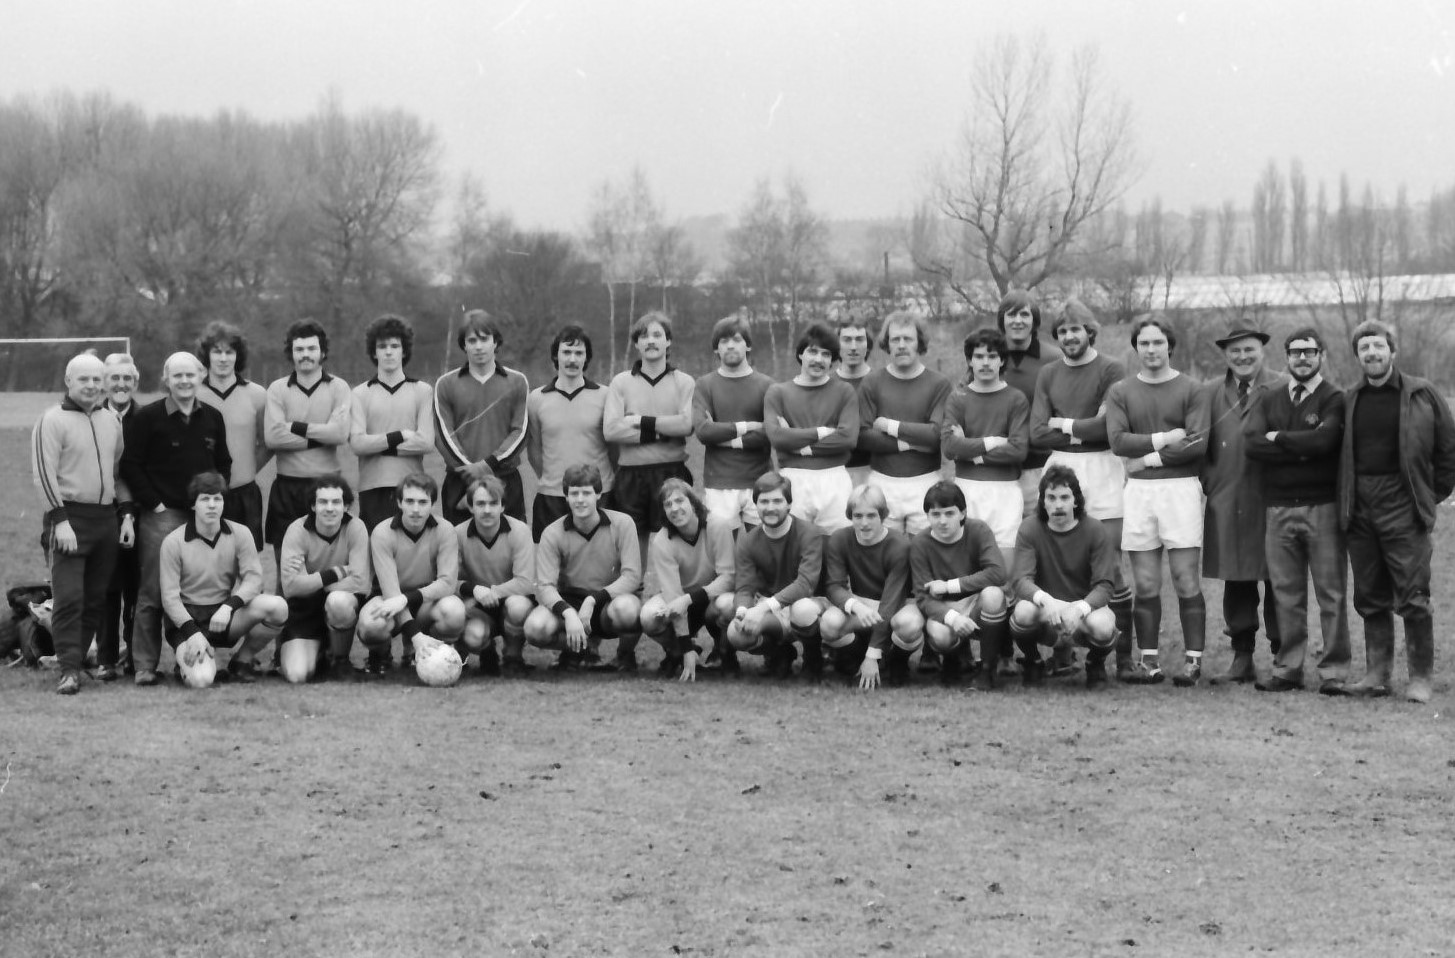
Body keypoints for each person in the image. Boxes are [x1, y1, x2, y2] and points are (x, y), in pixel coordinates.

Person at [1337, 320, 1455, 703]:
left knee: (1413, 594)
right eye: (1364, 348)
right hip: (1360, 509)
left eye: (1378, 345)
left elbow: (1448, 451)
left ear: (1393, 350)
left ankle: (1420, 678)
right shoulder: (1349, 399)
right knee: (1369, 595)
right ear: (1357, 356)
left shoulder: (1423, 394)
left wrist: (1427, 497)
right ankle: (1377, 674)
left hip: (1404, 507)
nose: (1371, 353)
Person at [1029, 300, 1134, 679]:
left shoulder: (1111, 368)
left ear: (1090, 331)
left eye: (1076, 329)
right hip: (1060, 466)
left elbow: (1108, 427)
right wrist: (1082, 426)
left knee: (1110, 563)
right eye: (1062, 331)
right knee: (1058, 559)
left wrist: (1064, 423)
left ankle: (1121, 657)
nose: (1069, 336)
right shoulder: (1048, 373)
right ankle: (1063, 651)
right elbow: (1037, 431)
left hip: (1102, 467)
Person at [1244, 328, 1350, 694]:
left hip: (1323, 507)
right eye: (1295, 352)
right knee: (1285, 594)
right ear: (1286, 357)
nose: (1302, 358)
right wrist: (1303, 448)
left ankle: (1334, 671)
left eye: (1309, 351)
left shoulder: (1335, 397)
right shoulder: (1269, 398)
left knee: (1331, 594)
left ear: (1322, 355)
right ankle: (1288, 669)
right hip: (1278, 509)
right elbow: (1252, 445)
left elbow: (1325, 442)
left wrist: (1280, 438)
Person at [1106, 317, 1210, 686]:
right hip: (1139, 493)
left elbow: (1196, 443)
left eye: (1158, 342)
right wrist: (1166, 438)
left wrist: (1147, 458)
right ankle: (1148, 659)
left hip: (1180, 489)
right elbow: (1118, 441)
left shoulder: (1193, 389)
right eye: (1145, 343)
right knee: (1146, 582)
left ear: (1170, 346)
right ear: (1136, 347)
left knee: (1185, 578)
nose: (1151, 349)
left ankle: (1193, 661)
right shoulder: (1121, 391)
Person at [122, 352, 231, 687]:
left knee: (197, 586)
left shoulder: (213, 417)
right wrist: (154, 504)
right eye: (177, 375)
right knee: (153, 590)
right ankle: (144, 664)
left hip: (202, 515)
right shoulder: (148, 417)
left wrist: (213, 501)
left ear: (201, 377)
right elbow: (130, 465)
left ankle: (192, 651)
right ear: (166, 380)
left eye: (190, 375)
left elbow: (223, 463)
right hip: (163, 515)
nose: (184, 381)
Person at [32, 353, 130, 695]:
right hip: (69, 518)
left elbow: (115, 469)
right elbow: (43, 474)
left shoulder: (111, 421)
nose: (91, 385)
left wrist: (123, 514)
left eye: (96, 379)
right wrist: (60, 520)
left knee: (94, 599)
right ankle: (69, 671)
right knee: (70, 597)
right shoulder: (52, 420)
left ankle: (74, 660)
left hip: (104, 519)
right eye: (83, 379)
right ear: (68, 381)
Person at [1201, 326, 1283, 684]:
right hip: (1228, 498)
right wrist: (1211, 481)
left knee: (1279, 578)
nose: (1242, 357)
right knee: (1236, 579)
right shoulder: (1209, 392)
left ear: (1262, 350)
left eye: (1249, 349)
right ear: (1225, 355)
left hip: (1273, 499)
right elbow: (1197, 442)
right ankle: (1242, 654)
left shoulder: (1282, 386)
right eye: (1235, 351)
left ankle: (1284, 654)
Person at [159, 471, 288, 685]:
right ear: (193, 505)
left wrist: (229, 607)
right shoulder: (173, 542)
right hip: (187, 620)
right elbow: (169, 598)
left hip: (223, 614)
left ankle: (242, 661)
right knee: (201, 680)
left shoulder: (240, 533)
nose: (212, 505)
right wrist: (192, 633)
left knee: (277, 607)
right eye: (205, 499)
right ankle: (187, 663)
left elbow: (254, 579)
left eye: (217, 499)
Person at [1007, 466, 1120, 690]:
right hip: (1046, 609)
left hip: (1083, 609)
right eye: (1051, 498)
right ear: (1042, 501)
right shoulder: (1029, 528)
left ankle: (1095, 664)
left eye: (1064, 497)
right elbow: (1020, 579)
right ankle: (1033, 661)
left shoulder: (1095, 529)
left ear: (1076, 501)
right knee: (1022, 612)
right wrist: (1046, 600)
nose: (1058, 505)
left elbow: (1105, 585)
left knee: (1104, 626)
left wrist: (1080, 609)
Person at [524, 463, 643, 671]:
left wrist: (593, 600)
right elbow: (545, 586)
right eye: (574, 493)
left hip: (608, 602)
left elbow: (632, 576)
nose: (580, 499)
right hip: (570, 601)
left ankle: (625, 656)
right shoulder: (552, 533)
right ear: (566, 497)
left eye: (586, 493)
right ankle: (577, 648)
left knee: (628, 610)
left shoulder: (623, 523)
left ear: (598, 494)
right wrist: (569, 614)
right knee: (535, 628)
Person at [720, 472, 827, 679]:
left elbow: (805, 583)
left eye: (777, 501)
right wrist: (743, 613)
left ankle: (813, 658)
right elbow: (744, 587)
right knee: (736, 633)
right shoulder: (748, 541)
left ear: (789, 504)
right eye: (764, 501)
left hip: (807, 603)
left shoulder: (809, 533)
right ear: (756, 505)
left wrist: (762, 608)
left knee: (802, 610)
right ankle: (779, 653)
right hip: (771, 610)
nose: (770, 507)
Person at [264, 320, 351, 572]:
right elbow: (273, 438)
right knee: (287, 570)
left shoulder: (339, 387)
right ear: (291, 353)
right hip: (287, 488)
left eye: (312, 348)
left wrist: (294, 427)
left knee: (330, 568)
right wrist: (323, 433)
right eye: (299, 349)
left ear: (322, 352)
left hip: (328, 487)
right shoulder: (277, 389)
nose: (305, 354)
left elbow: (340, 434)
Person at [359, 473, 467, 673]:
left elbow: (447, 583)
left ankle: (437, 654)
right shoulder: (382, 533)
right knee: (371, 624)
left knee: (454, 611)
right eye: (409, 501)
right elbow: (392, 595)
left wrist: (407, 599)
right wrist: (416, 635)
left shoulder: (445, 530)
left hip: (427, 601)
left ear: (432, 503)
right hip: (389, 599)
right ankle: (380, 654)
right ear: (399, 502)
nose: (416, 509)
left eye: (423, 502)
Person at [856, 311, 952, 535]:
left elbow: (935, 435)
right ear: (887, 344)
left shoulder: (939, 384)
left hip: (926, 482)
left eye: (908, 339)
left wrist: (890, 426)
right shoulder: (871, 382)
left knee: (925, 550)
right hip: (882, 482)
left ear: (919, 342)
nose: (901, 345)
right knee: (884, 551)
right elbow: (862, 435)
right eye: (895, 339)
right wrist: (908, 444)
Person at [603, 312, 695, 542]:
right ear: (636, 344)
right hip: (630, 475)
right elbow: (611, 430)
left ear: (668, 341)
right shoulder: (620, 382)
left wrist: (640, 421)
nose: (651, 341)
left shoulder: (684, 382)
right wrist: (661, 432)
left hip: (672, 472)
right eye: (644, 336)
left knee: (676, 538)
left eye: (657, 335)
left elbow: (686, 424)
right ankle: (637, 570)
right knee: (633, 541)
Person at [822, 484, 922, 690]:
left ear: (883, 515)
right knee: (829, 623)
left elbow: (890, 602)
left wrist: (873, 654)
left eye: (871, 515)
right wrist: (855, 605)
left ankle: (896, 660)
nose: (864, 523)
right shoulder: (840, 539)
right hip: (862, 605)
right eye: (858, 516)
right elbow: (833, 586)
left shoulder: (899, 545)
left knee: (909, 623)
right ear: (850, 516)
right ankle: (854, 655)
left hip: (897, 605)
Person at [433, 309, 530, 524]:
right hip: (460, 482)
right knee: (458, 544)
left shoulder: (517, 382)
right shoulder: (445, 384)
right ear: (463, 345)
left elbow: (521, 432)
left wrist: (488, 465)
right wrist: (471, 473)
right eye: (472, 340)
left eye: (484, 339)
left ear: (495, 342)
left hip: (505, 480)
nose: (478, 346)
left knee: (511, 542)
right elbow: (443, 436)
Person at [909, 480, 1008, 687]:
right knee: (940, 634)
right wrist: (953, 618)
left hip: (974, 602)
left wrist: (949, 586)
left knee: (993, 594)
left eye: (949, 513)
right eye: (935, 514)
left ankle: (987, 668)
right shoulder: (920, 543)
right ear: (927, 516)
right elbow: (923, 596)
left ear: (962, 513)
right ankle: (953, 660)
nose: (942, 521)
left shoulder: (978, 530)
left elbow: (998, 573)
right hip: (943, 608)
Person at [942, 327, 1030, 561]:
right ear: (969, 360)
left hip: (1005, 491)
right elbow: (949, 448)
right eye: (979, 356)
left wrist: (971, 451)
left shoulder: (1016, 399)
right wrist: (991, 442)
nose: (985, 362)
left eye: (992, 356)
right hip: (967, 489)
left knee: (1005, 567)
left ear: (1002, 360)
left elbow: (1018, 450)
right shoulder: (958, 398)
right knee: (966, 563)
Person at [764, 322, 860, 533]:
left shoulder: (844, 391)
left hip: (835, 479)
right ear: (800, 354)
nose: (819, 359)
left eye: (826, 354)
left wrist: (797, 444)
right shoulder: (778, 392)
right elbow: (777, 438)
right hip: (793, 479)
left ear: (832, 360)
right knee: (797, 544)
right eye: (813, 352)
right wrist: (822, 432)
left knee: (838, 544)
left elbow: (848, 438)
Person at [276, 474, 371, 682]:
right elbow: (291, 587)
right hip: (304, 609)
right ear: (313, 506)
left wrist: (311, 582)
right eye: (323, 502)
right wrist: (337, 573)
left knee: (338, 602)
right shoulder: (296, 530)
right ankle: (319, 652)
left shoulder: (356, 527)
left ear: (346, 506)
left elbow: (361, 583)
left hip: (337, 602)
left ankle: (340, 660)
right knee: (297, 675)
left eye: (336, 502)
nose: (329, 508)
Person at [639, 479, 734, 681]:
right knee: (649, 616)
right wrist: (686, 646)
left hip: (713, 598)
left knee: (727, 605)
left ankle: (725, 652)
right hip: (682, 600)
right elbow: (673, 596)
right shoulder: (662, 541)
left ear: (693, 502)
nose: (674, 508)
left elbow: (729, 578)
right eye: (668, 504)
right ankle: (677, 651)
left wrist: (689, 599)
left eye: (680, 501)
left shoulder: (718, 525)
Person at [527, 324, 615, 540]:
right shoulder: (536, 399)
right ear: (555, 356)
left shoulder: (606, 396)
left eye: (579, 353)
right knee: (553, 559)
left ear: (587, 358)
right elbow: (534, 450)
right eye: (566, 352)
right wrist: (553, 479)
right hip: (552, 497)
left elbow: (615, 449)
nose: (572, 359)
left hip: (598, 495)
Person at [349, 314, 435, 531]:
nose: (388, 351)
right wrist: (400, 436)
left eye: (395, 346)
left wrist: (377, 447)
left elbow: (426, 443)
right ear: (374, 352)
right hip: (372, 488)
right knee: (375, 549)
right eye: (382, 346)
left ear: (404, 351)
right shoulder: (359, 393)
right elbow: (357, 444)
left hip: (413, 488)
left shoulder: (423, 391)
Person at [693, 315, 775, 532]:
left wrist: (726, 439)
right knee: (723, 550)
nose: (730, 345)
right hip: (719, 484)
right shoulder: (705, 385)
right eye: (724, 341)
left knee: (763, 547)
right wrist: (747, 426)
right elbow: (704, 431)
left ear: (748, 345)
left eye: (737, 340)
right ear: (716, 349)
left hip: (761, 481)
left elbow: (771, 432)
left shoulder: (767, 385)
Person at [195, 321, 271, 549]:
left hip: (244, 495)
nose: (223, 358)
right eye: (217, 351)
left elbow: (267, 444)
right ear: (207, 355)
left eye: (229, 352)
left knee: (246, 560)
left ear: (238, 356)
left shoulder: (257, 395)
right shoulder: (193, 394)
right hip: (202, 495)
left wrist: (246, 472)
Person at [455, 475, 536, 677]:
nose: (487, 510)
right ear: (470, 507)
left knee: (518, 607)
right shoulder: (457, 534)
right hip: (477, 603)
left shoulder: (520, 531)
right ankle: (486, 652)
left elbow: (525, 582)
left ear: (503, 506)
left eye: (493, 503)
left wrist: (492, 592)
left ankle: (513, 657)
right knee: (474, 636)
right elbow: (448, 581)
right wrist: (474, 591)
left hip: (511, 599)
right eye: (480, 504)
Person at [997, 289, 1062, 515]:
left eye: (1024, 314)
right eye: (1011, 315)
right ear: (1002, 320)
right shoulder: (988, 355)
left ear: (1034, 320)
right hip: (998, 467)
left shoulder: (1054, 358)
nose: (1018, 321)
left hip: (1042, 466)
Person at [100, 352, 141, 679]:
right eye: (115, 378)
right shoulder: (93, 417)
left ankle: (135, 657)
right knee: (107, 587)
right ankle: (106, 658)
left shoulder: (149, 418)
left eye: (127, 378)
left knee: (136, 588)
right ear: (105, 382)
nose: (121, 384)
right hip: (102, 512)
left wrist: (133, 512)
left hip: (140, 512)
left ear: (135, 382)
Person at [835, 313, 876, 487]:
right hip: (834, 473)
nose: (853, 347)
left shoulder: (880, 382)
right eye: (847, 340)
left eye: (859, 339)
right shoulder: (826, 384)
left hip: (876, 473)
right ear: (837, 344)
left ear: (868, 344)